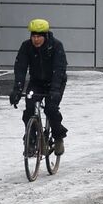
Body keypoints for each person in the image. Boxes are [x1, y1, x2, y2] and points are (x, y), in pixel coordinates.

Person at [12, 19, 69, 154]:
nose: (36, 40)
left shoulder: (56, 46)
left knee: (50, 109)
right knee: (29, 109)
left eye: (39, 36)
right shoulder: (26, 47)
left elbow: (59, 69)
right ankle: (31, 141)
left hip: (55, 82)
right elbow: (20, 68)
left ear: (46, 36)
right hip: (36, 82)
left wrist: (55, 89)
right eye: (33, 36)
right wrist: (17, 90)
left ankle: (58, 136)